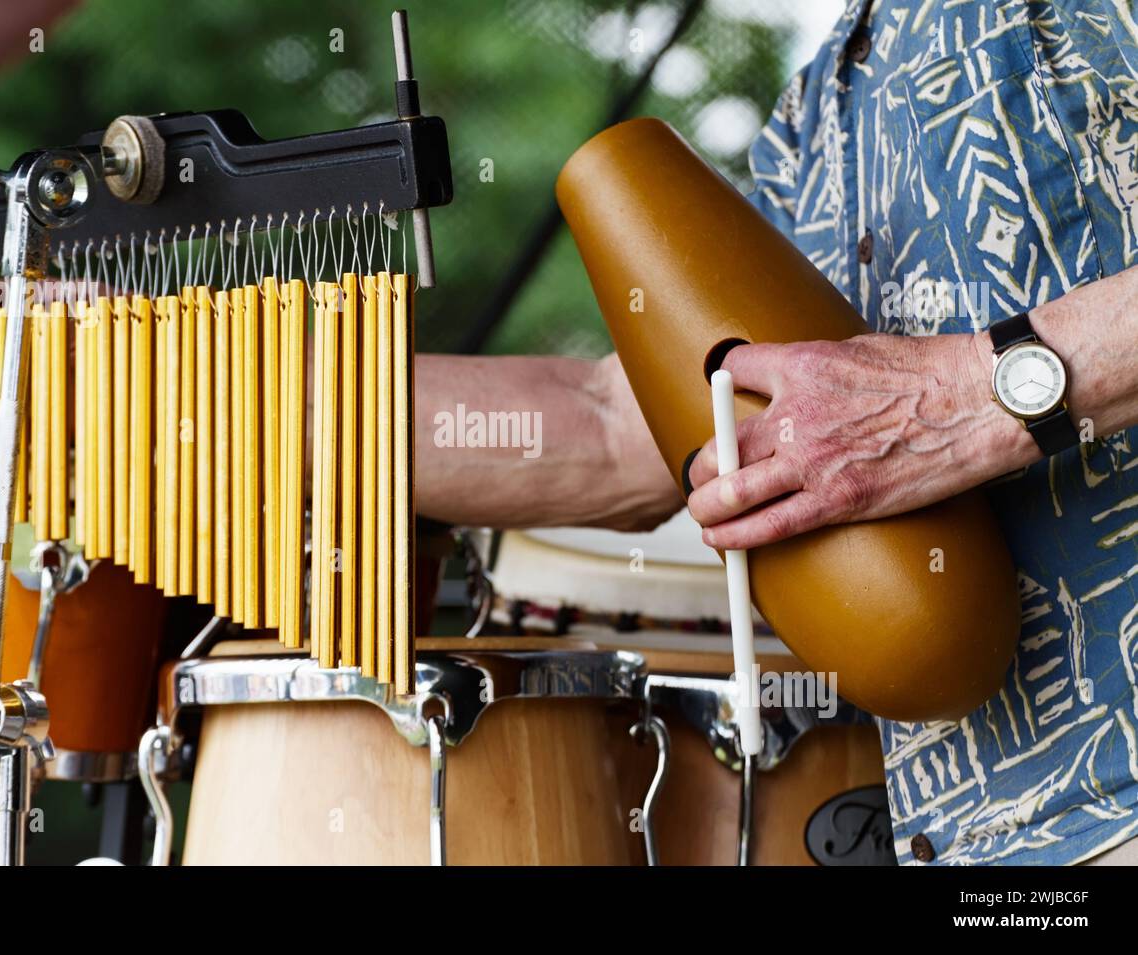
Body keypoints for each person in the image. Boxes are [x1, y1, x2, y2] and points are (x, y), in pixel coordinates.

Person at [411, 0, 1138, 865]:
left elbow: (927, 401)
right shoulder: (816, 114)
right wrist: (294, 415)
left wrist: (969, 395)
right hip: (993, 852)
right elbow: (627, 428)